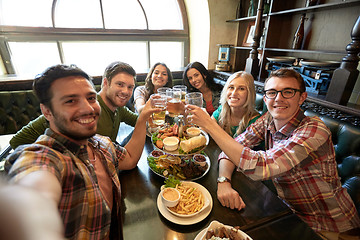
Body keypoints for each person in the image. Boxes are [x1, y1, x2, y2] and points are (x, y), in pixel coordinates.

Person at [186, 68, 360, 238]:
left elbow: (261, 166)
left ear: (302, 97)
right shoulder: (268, 119)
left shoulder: (314, 129)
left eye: (288, 92)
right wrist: (224, 181)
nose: (278, 99)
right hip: (285, 211)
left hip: (328, 226)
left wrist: (209, 125)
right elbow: (233, 147)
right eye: (272, 92)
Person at [5, 64, 160, 239]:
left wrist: (144, 116)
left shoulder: (102, 144)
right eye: (71, 101)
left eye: (91, 98)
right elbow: (35, 179)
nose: (88, 108)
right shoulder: (46, 159)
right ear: (47, 111)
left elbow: (130, 159)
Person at [9, 61, 138, 149]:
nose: (126, 91)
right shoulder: (82, 111)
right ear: (105, 83)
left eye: (130, 87)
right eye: (120, 84)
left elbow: (138, 121)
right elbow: (18, 141)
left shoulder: (118, 108)